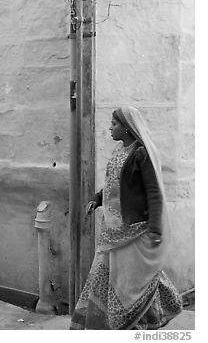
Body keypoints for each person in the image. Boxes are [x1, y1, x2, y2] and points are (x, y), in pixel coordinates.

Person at [70, 106, 182, 330]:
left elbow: (153, 193)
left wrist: (156, 230)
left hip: (134, 230)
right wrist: (97, 198)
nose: (110, 128)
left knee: (133, 282)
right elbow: (114, 184)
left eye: (114, 124)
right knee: (109, 277)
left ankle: (137, 325)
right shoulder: (118, 152)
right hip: (112, 230)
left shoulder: (141, 153)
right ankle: (112, 324)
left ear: (127, 128)